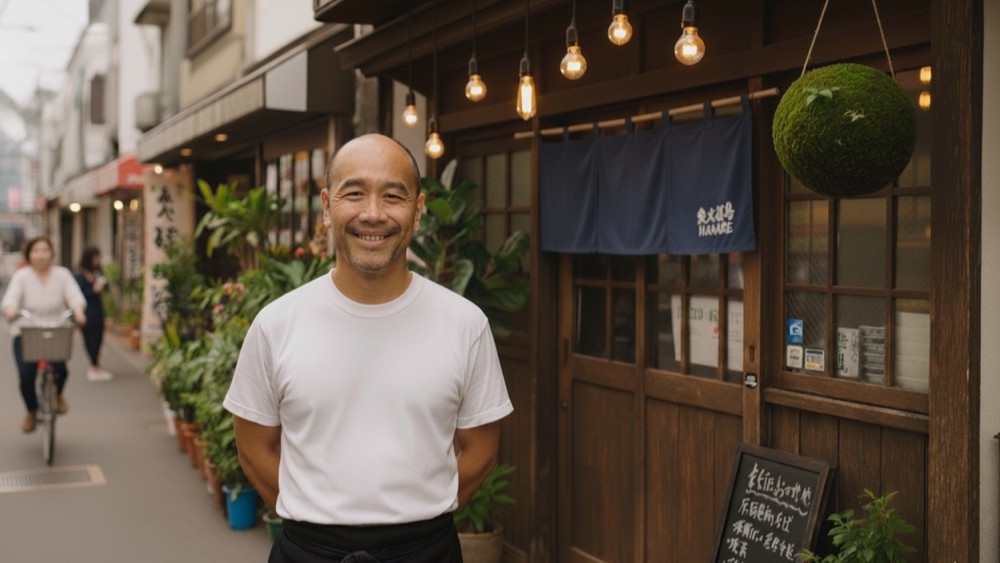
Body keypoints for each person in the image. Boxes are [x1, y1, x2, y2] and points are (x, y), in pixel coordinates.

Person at [224, 134, 513, 563]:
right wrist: (316, 516)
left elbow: (481, 450)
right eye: (354, 194)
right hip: (306, 552)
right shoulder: (276, 323)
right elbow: (253, 447)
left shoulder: (465, 323)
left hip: (427, 552)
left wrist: (417, 518)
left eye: (393, 196)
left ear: (417, 211)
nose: (373, 214)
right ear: (327, 207)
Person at [2, 236, 87, 433]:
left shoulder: (62, 275)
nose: (40, 255)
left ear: (52, 253)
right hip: (26, 332)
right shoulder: (21, 276)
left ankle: (57, 395)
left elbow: (74, 297)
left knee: (61, 370)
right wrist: (10, 310)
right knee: (26, 376)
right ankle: (31, 411)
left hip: (56, 330)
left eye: (44, 250)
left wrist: (79, 312)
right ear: (29, 254)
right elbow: (10, 299)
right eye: (36, 251)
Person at [74, 246, 113, 381]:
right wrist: (93, 290)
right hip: (85, 310)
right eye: (95, 257)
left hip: (97, 309)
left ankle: (96, 364)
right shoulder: (79, 274)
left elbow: (107, 287)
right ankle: (93, 365)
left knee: (98, 337)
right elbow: (77, 294)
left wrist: (102, 285)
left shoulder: (97, 271)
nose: (97, 260)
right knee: (89, 337)